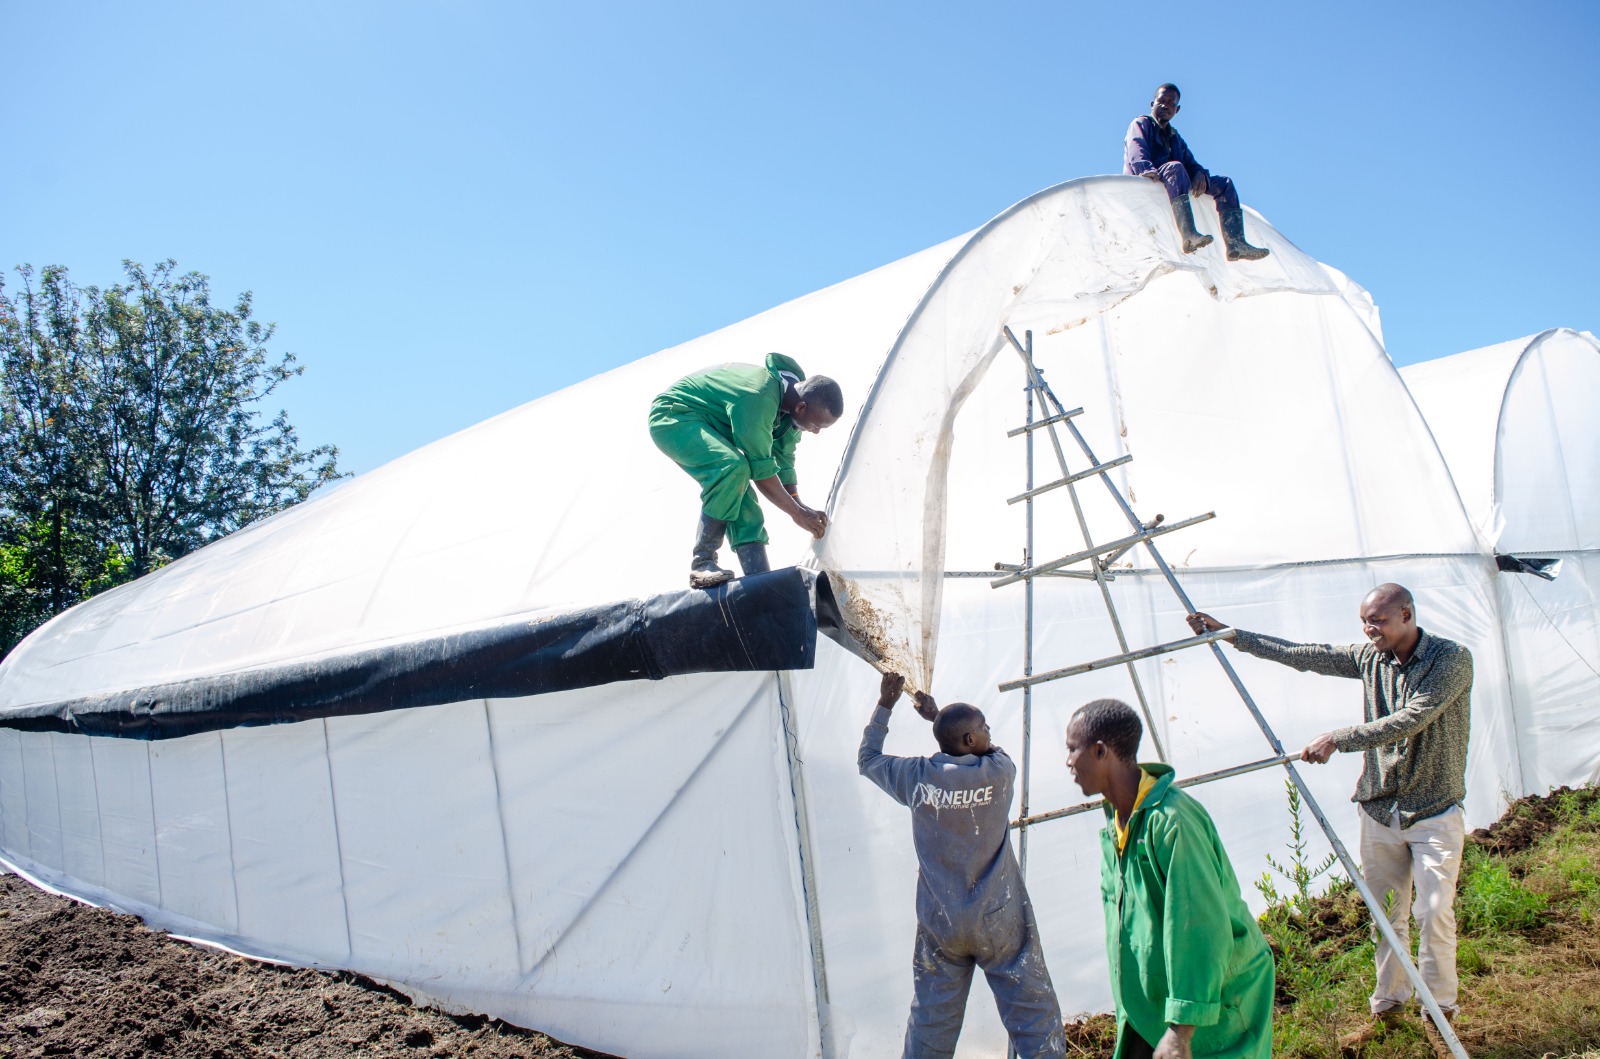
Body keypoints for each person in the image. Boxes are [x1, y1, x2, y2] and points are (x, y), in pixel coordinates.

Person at [1187, 584, 1472, 1057]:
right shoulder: (1370, 658)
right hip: (1380, 809)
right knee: (1386, 915)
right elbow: (1309, 655)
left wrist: (1338, 738)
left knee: (1434, 911)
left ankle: (1439, 1017)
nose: (1368, 630)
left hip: (1434, 810)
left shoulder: (1450, 659)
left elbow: (1411, 718)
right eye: (1364, 622)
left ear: (1405, 614)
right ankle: (1388, 1007)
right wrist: (1236, 636)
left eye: (1377, 621)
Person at [859, 672, 1067, 1059]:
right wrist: (936, 717)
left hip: (943, 923)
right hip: (998, 919)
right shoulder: (1000, 772)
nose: (988, 732)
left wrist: (885, 704)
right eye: (983, 728)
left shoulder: (915, 778)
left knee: (931, 1022)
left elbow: (868, 759)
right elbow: (987, 751)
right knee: (1032, 1011)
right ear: (972, 740)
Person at [1066, 698, 1274, 1059]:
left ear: (1100, 751)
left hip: (1214, 1002)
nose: (1068, 761)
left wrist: (1181, 1031)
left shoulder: (1172, 823)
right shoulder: (1117, 823)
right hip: (1151, 1006)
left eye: (1072, 749)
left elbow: (1199, 928)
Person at [648, 353, 841, 588]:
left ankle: (759, 579)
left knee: (738, 487)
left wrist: (799, 504)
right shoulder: (759, 395)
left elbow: (783, 463)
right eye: (816, 425)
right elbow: (763, 472)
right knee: (731, 468)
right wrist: (796, 514)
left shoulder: (791, 414)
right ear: (801, 407)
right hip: (674, 415)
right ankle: (702, 562)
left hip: (711, 424)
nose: (816, 432)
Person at [1124, 83, 1269, 262]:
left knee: (1225, 184)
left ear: (1177, 109)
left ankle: (1236, 244)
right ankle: (1189, 235)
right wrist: (1145, 170)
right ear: (1152, 104)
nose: (1165, 105)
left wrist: (1199, 174)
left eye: (1171, 103)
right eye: (1161, 101)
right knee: (1176, 167)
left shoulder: (1175, 138)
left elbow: (1191, 163)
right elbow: (1136, 150)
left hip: (1176, 181)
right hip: (1151, 179)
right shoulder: (1141, 124)